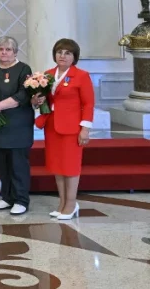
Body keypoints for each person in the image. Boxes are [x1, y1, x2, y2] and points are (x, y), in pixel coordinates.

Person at [34, 38, 95, 221]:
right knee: (57, 166)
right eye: (60, 52)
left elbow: (88, 103)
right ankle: (61, 203)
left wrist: (85, 128)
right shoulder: (48, 74)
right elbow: (44, 99)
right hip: (52, 126)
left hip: (71, 128)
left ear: (74, 57)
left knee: (70, 167)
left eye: (67, 53)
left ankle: (71, 203)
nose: (63, 56)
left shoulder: (81, 75)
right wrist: (36, 101)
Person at [0, 36, 35, 215]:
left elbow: (23, 95)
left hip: (17, 125)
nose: (4, 53)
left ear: (15, 52)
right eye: (1, 49)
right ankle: (6, 197)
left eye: (8, 50)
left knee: (18, 164)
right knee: (1, 163)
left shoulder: (23, 69)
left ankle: (21, 199)